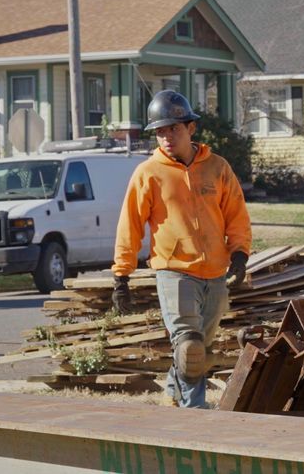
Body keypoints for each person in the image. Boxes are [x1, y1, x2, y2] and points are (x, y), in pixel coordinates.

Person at [111, 90, 252, 408]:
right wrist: (122, 275)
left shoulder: (217, 168)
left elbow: (236, 215)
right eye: (160, 131)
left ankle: (172, 397)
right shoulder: (148, 173)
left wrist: (240, 255)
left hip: (215, 271)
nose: (166, 137)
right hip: (174, 271)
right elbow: (130, 224)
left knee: (198, 349)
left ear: (190, 128)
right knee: (190, 347)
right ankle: (194, 412)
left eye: (173, 128)